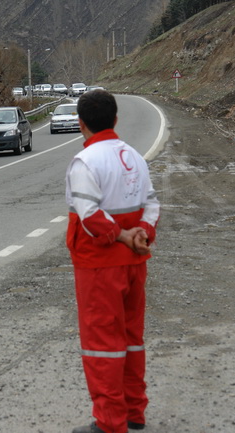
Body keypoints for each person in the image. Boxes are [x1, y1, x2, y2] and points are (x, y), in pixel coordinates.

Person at [66, 90, 160, 433]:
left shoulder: (85, 162)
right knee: (132, 338)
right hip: (135, 262)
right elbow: (151, 203)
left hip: (98, 266)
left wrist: (120, 236)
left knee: (103, 345)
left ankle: (109, 422)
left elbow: (89, 215)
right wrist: (142, 235)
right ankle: (135, 412)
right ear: (116, 120)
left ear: (81, 124)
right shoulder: (134, 156)